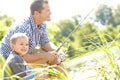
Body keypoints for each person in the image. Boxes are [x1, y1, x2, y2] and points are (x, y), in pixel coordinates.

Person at [0, 0, 67, 77]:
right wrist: (46, 55)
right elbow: (21, 56)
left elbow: (45, 44)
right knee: (41, 73)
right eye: (47, 10)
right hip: (9, 60)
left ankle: (65, 78)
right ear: (37, 13)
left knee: (56, 58)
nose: (51, 12)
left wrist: (58, 52)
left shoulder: (42, 24)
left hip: (25, 53)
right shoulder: (24, 28)